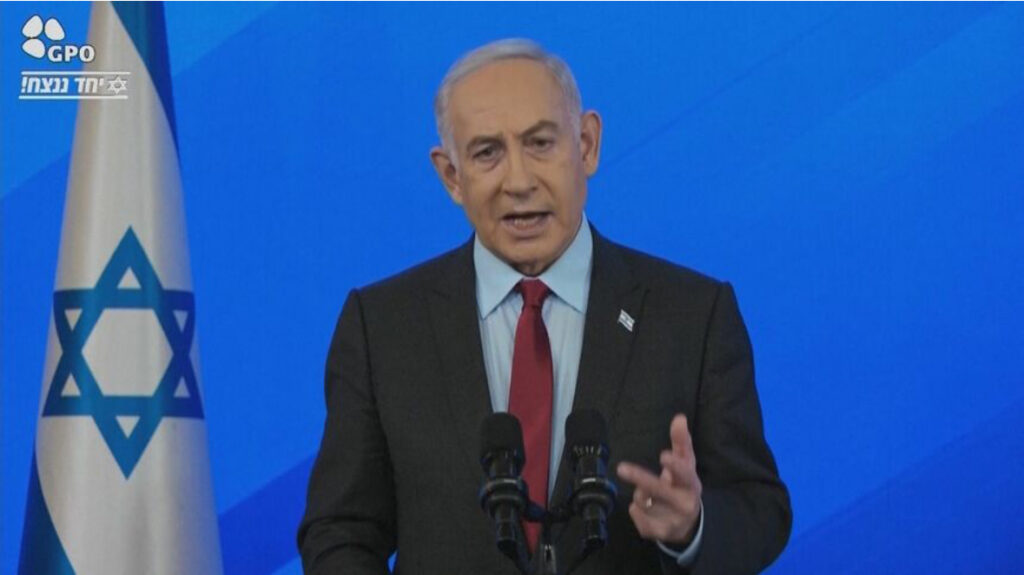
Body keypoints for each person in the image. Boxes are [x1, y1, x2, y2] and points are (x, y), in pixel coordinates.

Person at [298, 39, 791, 575]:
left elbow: (759, 510)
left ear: (587, 145)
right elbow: (340, 530)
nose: (519, 181)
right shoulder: (383, 327)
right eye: (487, 153)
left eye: (540, 143)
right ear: (451, 176)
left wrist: (693, 528)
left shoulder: (693, 315)